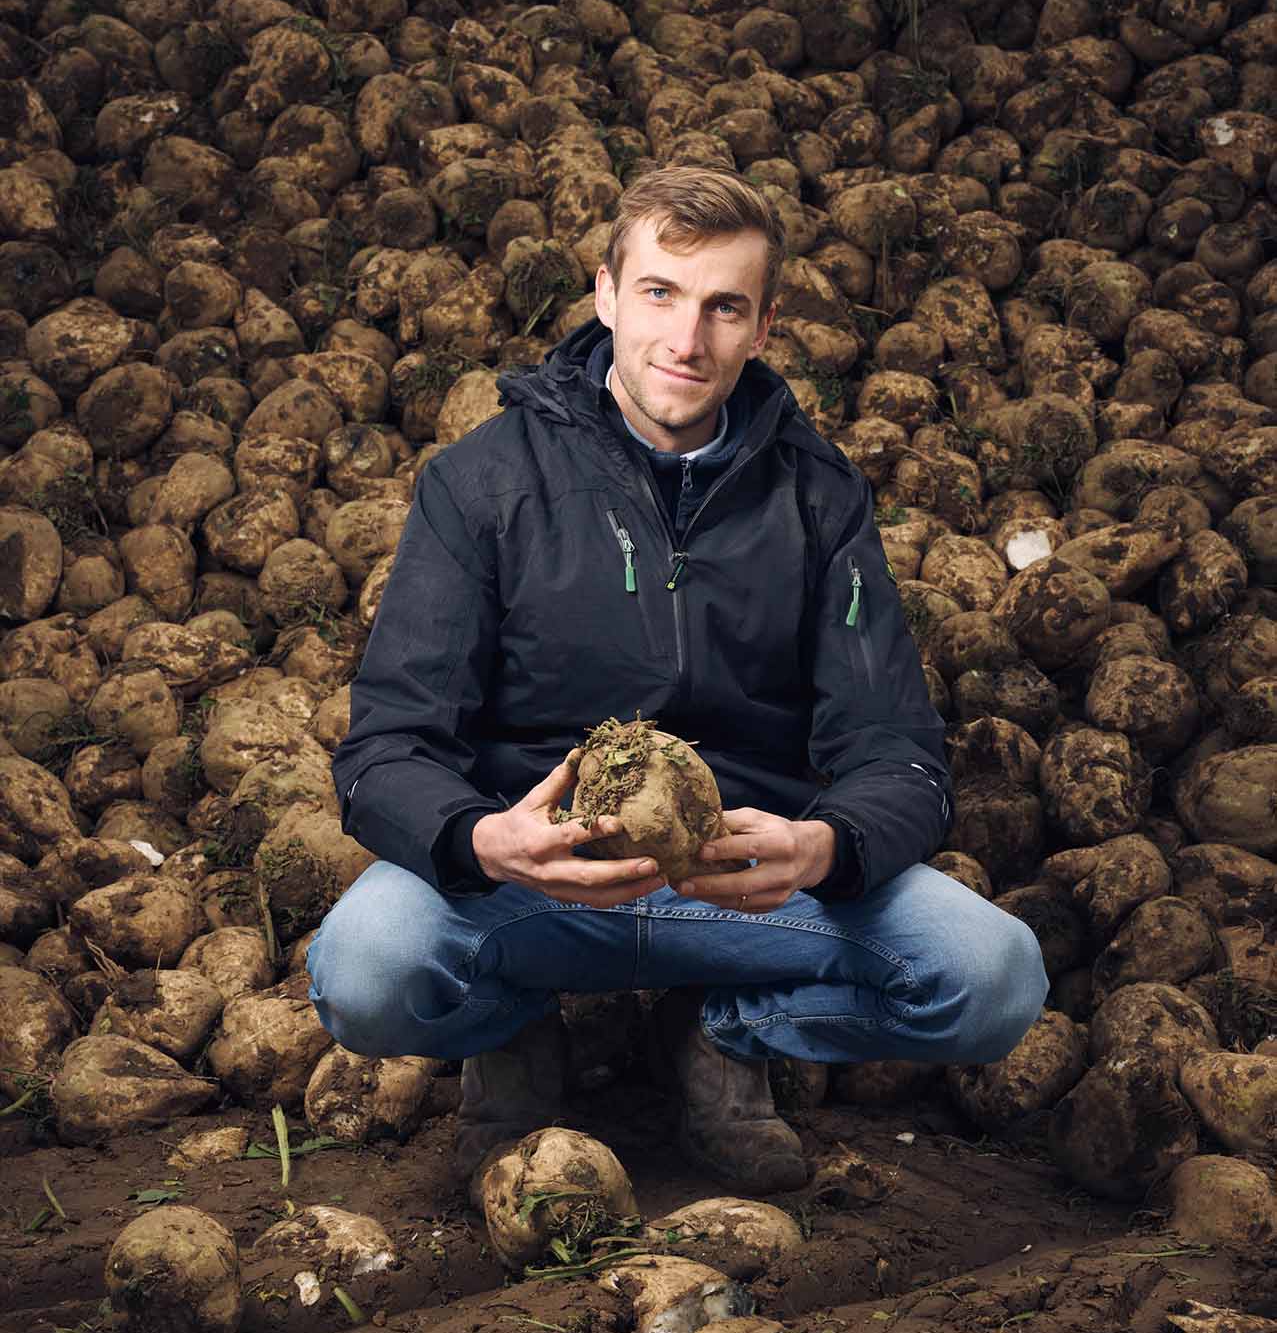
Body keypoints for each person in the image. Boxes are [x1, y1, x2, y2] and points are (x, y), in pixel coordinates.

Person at [308, 169, 1048, 1196]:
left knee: (993, 977)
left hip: (741, 885)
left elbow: (895, 751)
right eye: (658, 292)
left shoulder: (819, 496)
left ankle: (722, 1030)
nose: (685, 339)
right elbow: (383, 749)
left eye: (722, 306)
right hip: (534, 884)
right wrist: (483, 841)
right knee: (362, 969)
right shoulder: (479, 482)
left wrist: (820, 845)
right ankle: (513, 1035)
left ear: (762, 324)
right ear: (604, 292)